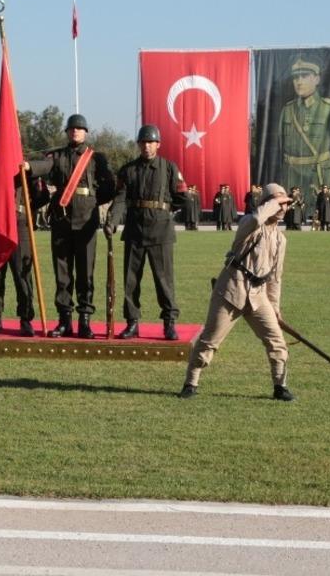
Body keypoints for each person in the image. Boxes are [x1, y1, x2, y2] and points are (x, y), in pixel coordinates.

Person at [178, 183, 296, 401]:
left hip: (259, 297)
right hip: (231, 290)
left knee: (277, 341)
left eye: (286, 203)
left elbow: (275, 277)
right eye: (278, 203)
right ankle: (191, 382)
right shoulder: (249, 224)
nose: (282, 207)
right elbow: (256, 218)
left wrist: (275, 308)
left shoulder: (281, 239)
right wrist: (273, 203)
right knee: (209, 341)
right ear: (267, 204)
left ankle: (281, 386)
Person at [25, 114, 116, 337]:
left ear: (85, 132)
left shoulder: (96, 158)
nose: (75, 131)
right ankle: (64, 320)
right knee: (62, 273)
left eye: (79, 128)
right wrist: (28, 166)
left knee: (86, 273)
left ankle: (85, 320)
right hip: (61, 220)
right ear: (66, 132)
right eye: (72, 128)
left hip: (86, 221)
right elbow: (44, 166)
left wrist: (93, 201)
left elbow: (110, 185)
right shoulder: (57, 156)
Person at [107, 124, 187, 341]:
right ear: (139, 144)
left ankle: (169, 323)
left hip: (161, 231)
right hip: (134, 230)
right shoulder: (128, 170)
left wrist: (167, 210)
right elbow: (121, 198)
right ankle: (132, 323)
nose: (146, 146)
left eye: (151, 142)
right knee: (131, 281)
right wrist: (112, 221)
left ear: (158, 144)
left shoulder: (169, 168)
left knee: (164, 280)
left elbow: (182, 196)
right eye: (143, 142)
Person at [278, 54, 330, 202]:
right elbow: (280, 148)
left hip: (319, 177)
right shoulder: (287, 110)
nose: (299, 82)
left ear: (317, 79)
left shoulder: (329, 108)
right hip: (291, 177)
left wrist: (326, 165)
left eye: (305, 76)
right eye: (295, 77)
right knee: (293, 219)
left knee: (322, 216)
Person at [0, 161, 36, 337]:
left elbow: (40, 195)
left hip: (19, 224)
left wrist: (26, 211)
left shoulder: (25, 168)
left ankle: (26, 319)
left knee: (22, 274)